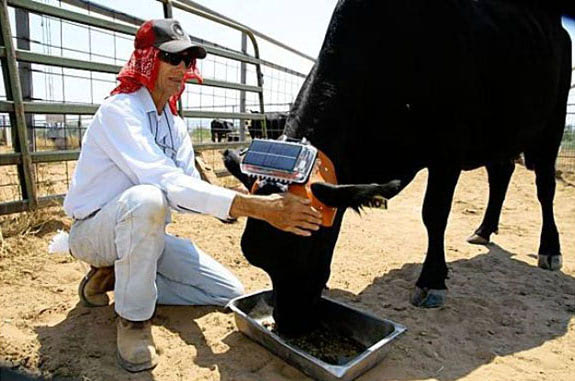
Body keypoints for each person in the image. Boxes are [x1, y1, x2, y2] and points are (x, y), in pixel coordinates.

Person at [63, 19, 322, 372]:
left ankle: (115, 278)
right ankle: (134, 319)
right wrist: (258, 208)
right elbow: (162, 180)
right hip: (94, 232)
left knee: (227, 291)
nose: (183, 68)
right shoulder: (119, 111)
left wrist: (243, 200)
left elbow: (185, 189)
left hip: (144, 233)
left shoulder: (174, 123)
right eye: (173, 58)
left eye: (188, 60)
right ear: (147, 60)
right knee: (147, 199)